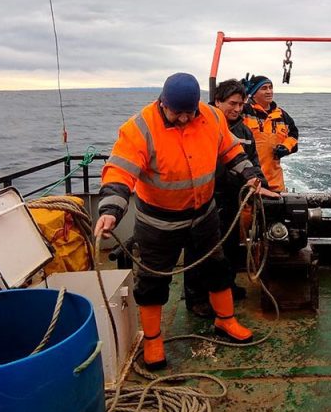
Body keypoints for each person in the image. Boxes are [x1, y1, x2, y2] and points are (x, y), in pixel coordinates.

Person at [94, 72, 272, 370]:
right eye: (176, 113)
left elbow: (230, 150)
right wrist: (111, 210)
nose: (183, 119)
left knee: (217, 267)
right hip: (157, 223)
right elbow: (119, 172)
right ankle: (152, 340)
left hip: (204, 214)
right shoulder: (140, 127)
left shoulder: (211, 118)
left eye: (189, 113)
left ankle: (225, 320)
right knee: (152, 280)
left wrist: (251, 176)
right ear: (163, 103)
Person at [183, 79, 273, 317]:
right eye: (232, 103)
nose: (237, 109)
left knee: (230, 247)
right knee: (200, 250)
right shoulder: (200, 126)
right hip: (204, 199)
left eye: (241, 104)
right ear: (218, 101)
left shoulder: (244, 132)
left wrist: (261, 185)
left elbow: (252, 161)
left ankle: (227, 285)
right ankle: (197, 298)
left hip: (232, 198)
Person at [241, 75, 299, 192]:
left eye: (270, 87)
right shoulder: (243, 112)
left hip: (275, 184)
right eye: (264, 88)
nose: (269, 91)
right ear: (253, 92)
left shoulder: (282, 115)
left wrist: (286, 147)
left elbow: (293, 135)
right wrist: (239, 92)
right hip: (249, 181)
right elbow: (219, 109)